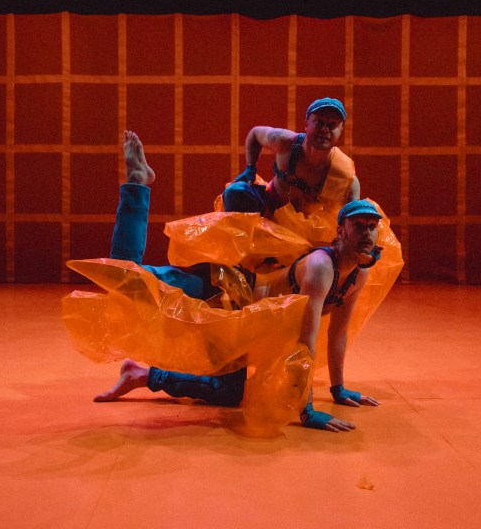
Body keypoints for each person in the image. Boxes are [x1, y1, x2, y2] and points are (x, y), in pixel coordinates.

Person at [87, 130, 384, 432]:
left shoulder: (359, 272)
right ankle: (137, 183)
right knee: (123, 279)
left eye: (372, 227)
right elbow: (304, 344)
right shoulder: (322, 267)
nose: (367, 233)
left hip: (245, 325)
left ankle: (140, 375)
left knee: (229, 392)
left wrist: (339, 389)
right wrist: (306, 412)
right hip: (225, 289)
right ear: (340, 232)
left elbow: (338, 334)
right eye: (358, 226)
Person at [222, 97, 359, 223]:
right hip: (267, 212)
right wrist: (250, 167)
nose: (324, 130)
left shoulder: (345, 178)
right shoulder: (285, 142)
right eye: (319, 122)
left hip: (304, 234)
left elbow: (354, 223)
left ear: (341, 131)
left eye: (332, 125)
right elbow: (255, 134)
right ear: (306, 124)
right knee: (236, 192)